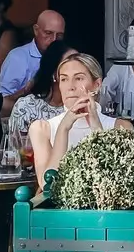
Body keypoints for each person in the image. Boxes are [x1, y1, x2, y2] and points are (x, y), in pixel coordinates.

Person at [30, 50, 128, 182]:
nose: (70, 86)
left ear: (97, 85)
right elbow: (46, 185)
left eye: (79, 78)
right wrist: (63, 129)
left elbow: (119, 180)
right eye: (64, 79)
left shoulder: (120, 127)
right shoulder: (42, 129)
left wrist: (96, 127)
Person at [0, 8, 67, 116]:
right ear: (36, 30)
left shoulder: (66, 56)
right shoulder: (18, 58)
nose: (53, 40)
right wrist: (28, 90)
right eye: (48, 33)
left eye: (59, 36)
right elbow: (2, 102)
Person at [6, 39, 70, 154]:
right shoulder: (27, 107)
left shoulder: (83, 108)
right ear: (54, 73)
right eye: (70, 65)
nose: (77, 69)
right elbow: (14, 153)